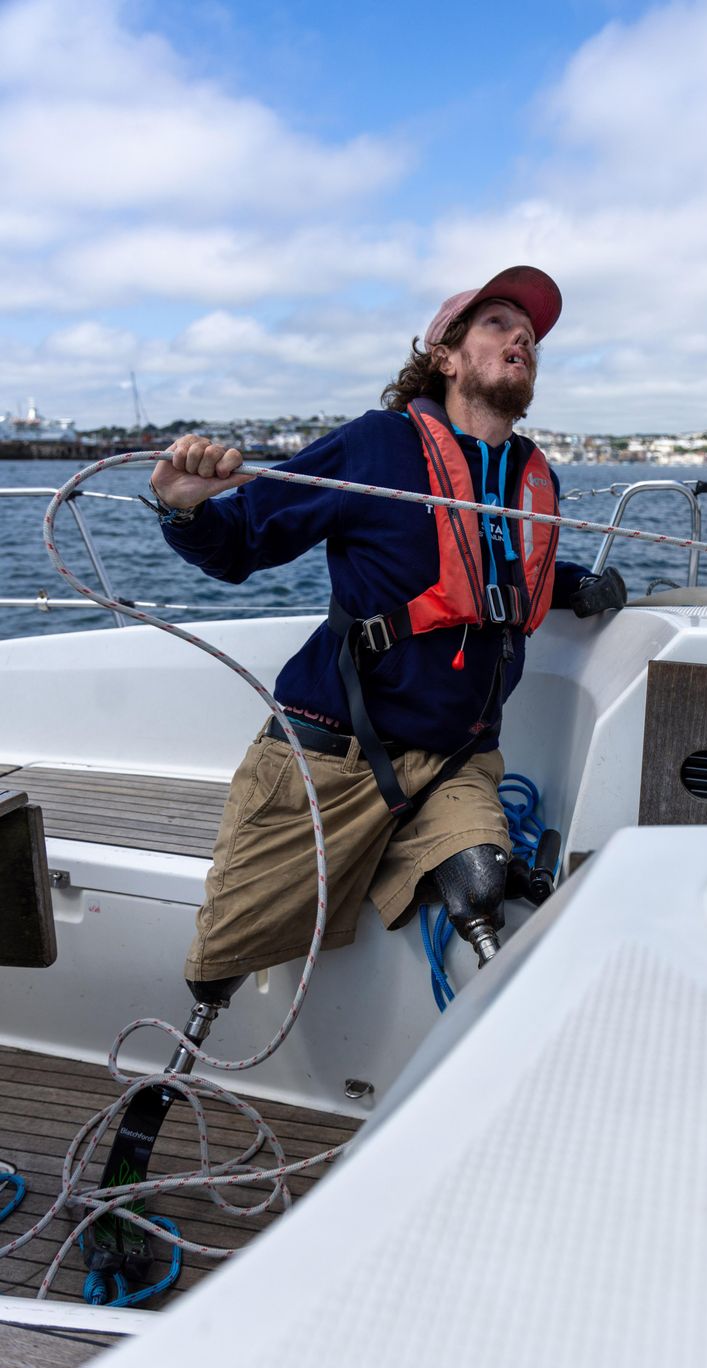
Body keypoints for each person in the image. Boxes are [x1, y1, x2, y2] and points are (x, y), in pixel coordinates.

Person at [147, 265, 626, 1000]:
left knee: (483, 884)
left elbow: (501, 578)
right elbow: (242, 544)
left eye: (529, 333)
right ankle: (190, 1058)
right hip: (333, 755)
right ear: (444, 355)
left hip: (459, 757)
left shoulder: (533, 475)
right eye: (498, 323)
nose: (522, 337)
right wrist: (184, 509)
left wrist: (577, 588)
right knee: (219, 969)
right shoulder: (376, 448)